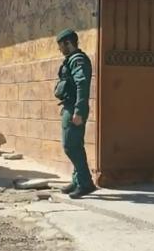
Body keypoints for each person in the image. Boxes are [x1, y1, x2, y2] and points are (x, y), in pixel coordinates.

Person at [54, 29, 97, 199]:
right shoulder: (71, 60)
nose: (60, 49)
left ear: (68, 43)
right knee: (75, 145)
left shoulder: (77, 60)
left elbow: (82, 85)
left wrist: (78, 111)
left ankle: (86, 183)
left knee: (70, 146)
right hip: (70, 106)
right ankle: (78, 180)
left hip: (74, 108)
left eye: (61, 45)